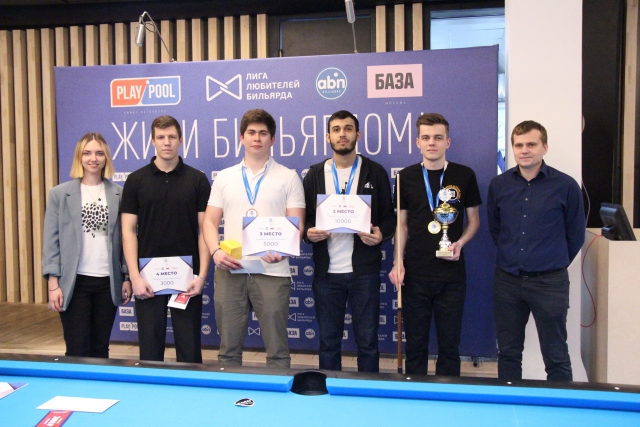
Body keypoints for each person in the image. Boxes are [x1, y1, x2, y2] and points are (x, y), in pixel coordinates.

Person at [203, 109, 305, 369]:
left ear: (272, 139)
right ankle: (230, 393)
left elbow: (297, 225)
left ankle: (277, 395)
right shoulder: (224, 177)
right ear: (241, 138)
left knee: (278, 351)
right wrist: (215, 252)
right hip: (230, 269)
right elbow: (210, 222)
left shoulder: (289, 177)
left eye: (263, 133)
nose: (256, 138)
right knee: (228, 351)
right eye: (251, 133)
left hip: (272, 271)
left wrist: (283, 251)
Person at [487, 120, 585, 381]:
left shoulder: (566, 186)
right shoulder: (499, 185)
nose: (524, 150)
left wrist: (550, 260)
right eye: (518, 145)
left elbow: (575, 235)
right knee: (508, 353)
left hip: (549, 282)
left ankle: (560, 405)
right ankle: (510, 403)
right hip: (507, 281)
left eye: (531, 144)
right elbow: (496, 230)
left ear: (545, 147)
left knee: (556, 355)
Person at [388, 113, 481, 376]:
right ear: (418, 142)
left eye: (438, 137)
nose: (432, 143)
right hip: (415, 275)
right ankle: (415, 395)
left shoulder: (464, 175)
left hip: (452, 275)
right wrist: (398, 262)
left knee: (449, 347)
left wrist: (460, 242)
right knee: (416, 346)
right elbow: (401, 225)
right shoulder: (404, 177)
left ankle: (447, 396)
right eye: (426, 137)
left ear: (447, 142)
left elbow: (474, 221)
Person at [302, 110, 395, 372]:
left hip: (364, 273)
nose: (342, 134)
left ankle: (367, 391)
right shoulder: (314, 174)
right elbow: (304, 220)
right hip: (326, 274)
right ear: (327, 136)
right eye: (336, 129)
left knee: (368, 343)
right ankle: (329, 389)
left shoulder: (375, 172)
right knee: (328, 343)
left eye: (348, 128)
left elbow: (389, 218)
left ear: (358, 134)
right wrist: (308, 233)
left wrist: (381, 234)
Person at [121, 115, 211, 363]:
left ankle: (190, 388)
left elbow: (205, 230)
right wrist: (135, 277)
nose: (167, 142)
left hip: (187, 279)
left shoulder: (197, 180)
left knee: (189, 350)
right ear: (153, 141)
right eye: (160, 137)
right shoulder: (136, 180)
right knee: (150, 352)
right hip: (147, 278)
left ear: (181, 140)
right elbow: (128, 231)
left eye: (172, 137)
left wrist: (201, 276)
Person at [42, 132, 132, 358]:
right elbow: (51, 241)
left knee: (100, 348)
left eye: (99, 153)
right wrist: (53, 284)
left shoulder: (120, 194)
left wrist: (127, 277)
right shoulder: (59, 194)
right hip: (74, 283)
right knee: (77, 348)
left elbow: (126, 239)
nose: (94, 158)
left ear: (106, 158)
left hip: (107, 282)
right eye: (87, 153)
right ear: (79, 158)